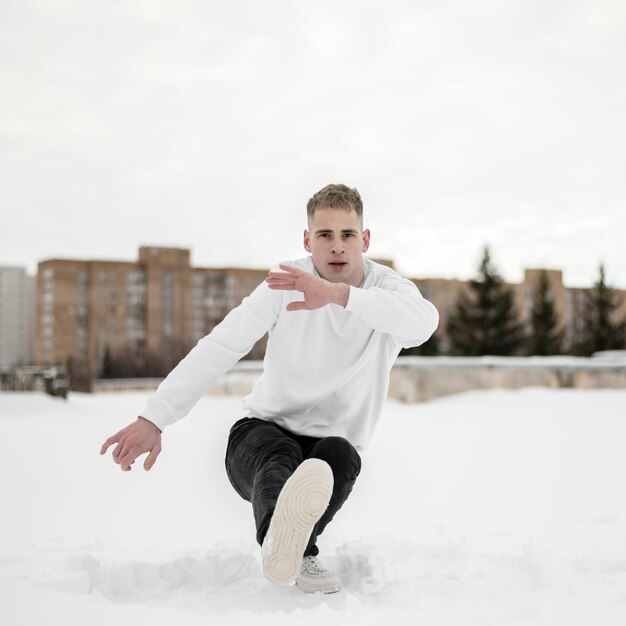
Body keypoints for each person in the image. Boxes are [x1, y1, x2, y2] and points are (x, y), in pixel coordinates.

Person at [100, 183, 439, 594]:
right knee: (280, 453)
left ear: (364, 239)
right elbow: (221, 346)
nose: (337, 247)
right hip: (258, 438)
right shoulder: (284, 283)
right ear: (307, 239)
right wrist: (155, 417)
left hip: (329, 449)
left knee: (338, 455)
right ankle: (287, 546)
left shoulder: (388, 291)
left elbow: (423, 325)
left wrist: (337, 296)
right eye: (325, 235)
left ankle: (294, 550)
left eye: (348, 235)